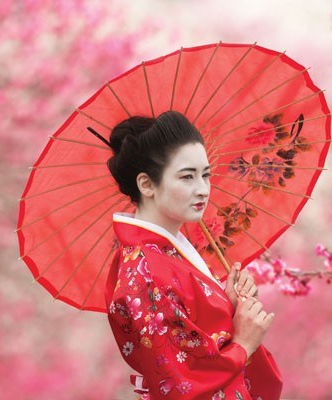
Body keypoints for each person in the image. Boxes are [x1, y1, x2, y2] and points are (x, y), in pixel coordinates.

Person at [104, 110, 283, 399]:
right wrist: (243, 345)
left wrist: (229, 304)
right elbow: (177, 384)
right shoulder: (145, 271)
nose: (202, 190)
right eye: (187, 177)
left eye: (206, 175)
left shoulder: (165, 254)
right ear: (147, 184)